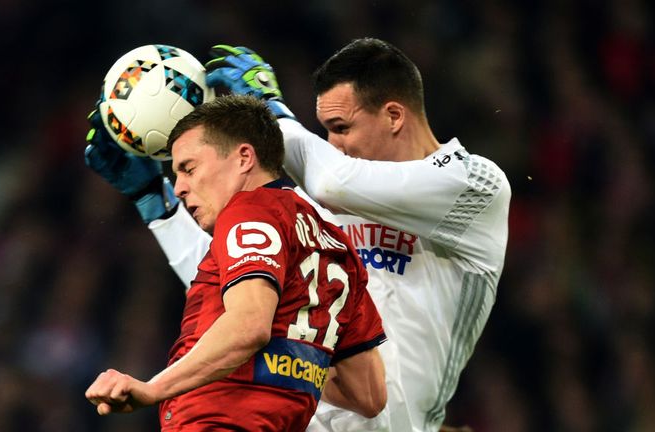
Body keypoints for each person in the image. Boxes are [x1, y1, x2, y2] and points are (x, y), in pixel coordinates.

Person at [203, 39, 511, 432]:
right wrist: (156, 206)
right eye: (326, 131)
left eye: (341, 127)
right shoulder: (328, 200)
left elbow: (332, 182)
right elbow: (236, 280)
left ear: (394, 115)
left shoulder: (475, 186)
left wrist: (271, 110)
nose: (333, 145)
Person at [84, 95, 387, 431]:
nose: (181, 188)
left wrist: (153, 388)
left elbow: (249, 326)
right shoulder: (337, 244)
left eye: (189, 168)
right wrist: (292, 363)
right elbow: (368, 393)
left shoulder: (248, 210)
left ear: (244, 157)